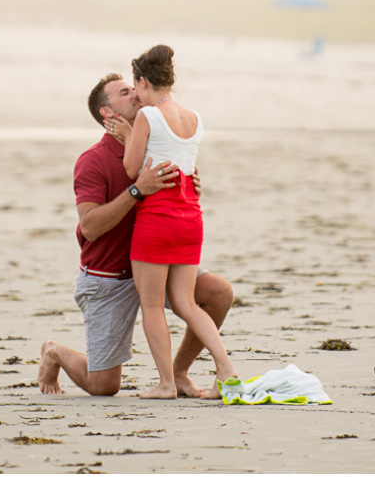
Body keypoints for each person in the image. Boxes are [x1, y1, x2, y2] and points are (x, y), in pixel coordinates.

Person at [36, 72, 234, 400]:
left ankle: (179, 373)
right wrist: (135, 190)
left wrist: (192, 185)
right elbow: (90, 227)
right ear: (107, 113)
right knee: (105, 386)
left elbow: (178, 194)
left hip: (157, 262)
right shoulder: (92, 162)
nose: (135, 94)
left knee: (219, 293)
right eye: (124, 92)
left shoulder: (154, 142)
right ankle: (55, 352)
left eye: (134, 88)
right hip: (108, 277)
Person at [122, 44, 241, 400]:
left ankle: (166, 384)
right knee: (186, 303)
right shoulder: (194, 118)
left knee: (153, 305)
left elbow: (132, 170)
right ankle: (227, 370)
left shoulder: (147, 117)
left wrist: (129, 136)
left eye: (136, 87)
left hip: (157, 218)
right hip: (190, 216)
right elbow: (183, 163)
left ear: (143, 82)